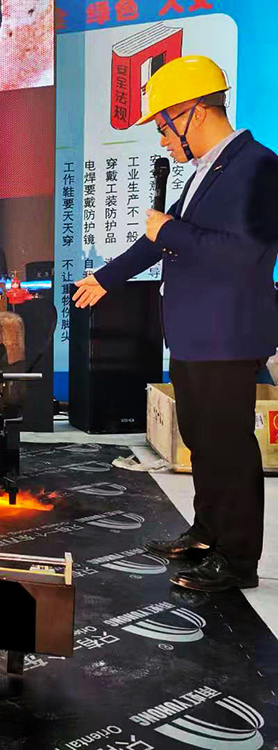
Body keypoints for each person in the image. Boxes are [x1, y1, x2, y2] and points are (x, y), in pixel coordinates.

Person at [73, 56, 278, 593]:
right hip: (195, 333)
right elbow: (158, 239)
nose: (162, 139)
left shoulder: (259, 167)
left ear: (193, 112)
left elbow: (242, 253)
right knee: (203, 440)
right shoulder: (211, 169)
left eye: (164, 126)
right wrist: (107, 278)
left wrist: (169, 231)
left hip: (228, 334)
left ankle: (237, 560)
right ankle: (208, 534)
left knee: (228, 448)